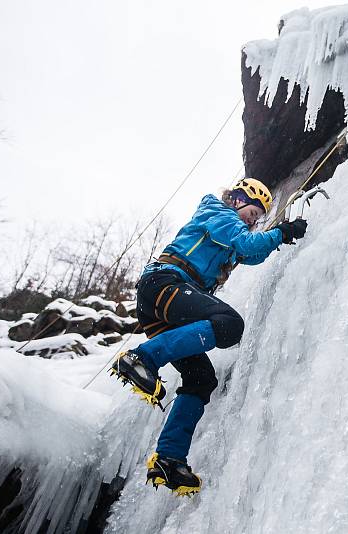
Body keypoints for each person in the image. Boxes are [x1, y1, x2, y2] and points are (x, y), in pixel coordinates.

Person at [110, 178, 307, 496]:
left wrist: (278, 238)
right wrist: (282, 232)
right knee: (229, 323)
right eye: (253, 211)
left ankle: (169, 458)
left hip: (165, 305)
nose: (253, 220)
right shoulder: (218, 210)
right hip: (165, 283)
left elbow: (252, 255)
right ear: (239, 200)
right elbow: (248, 245)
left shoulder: (230, 234)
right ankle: (141, 358)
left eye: (258, 218)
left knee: (201, 378)